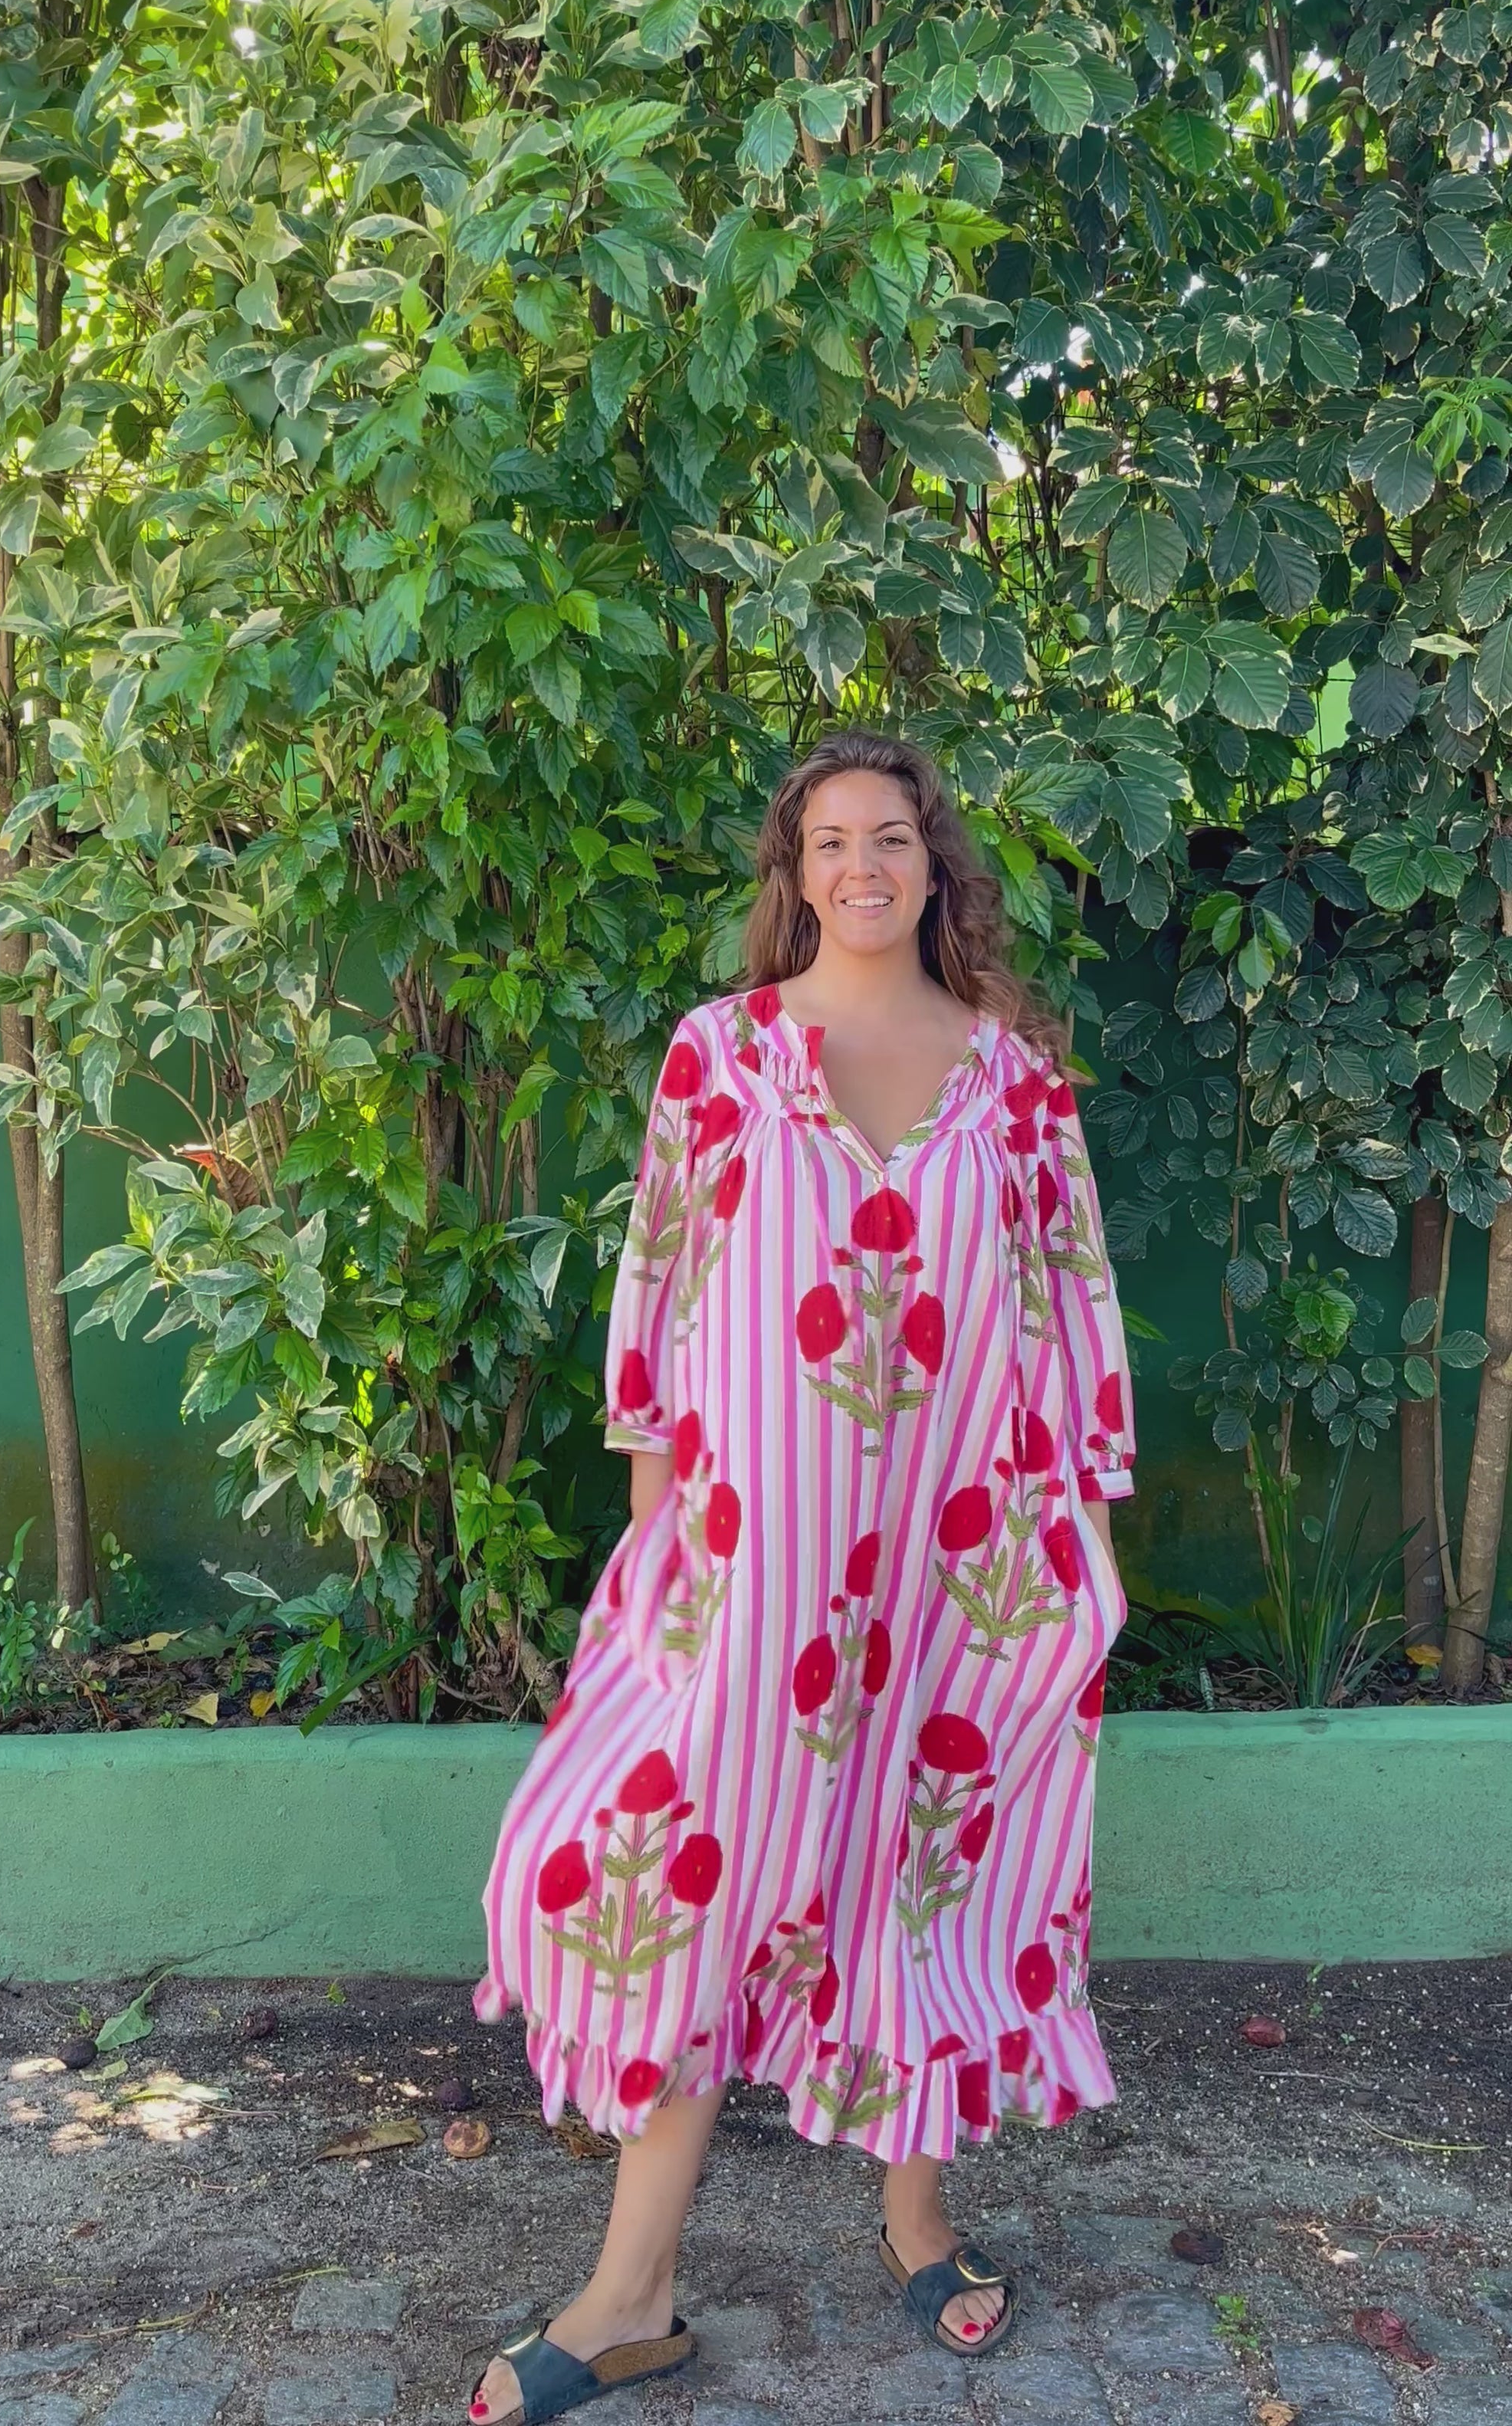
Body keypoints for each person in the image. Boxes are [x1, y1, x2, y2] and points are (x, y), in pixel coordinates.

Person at [468, 730, 1135, 2426]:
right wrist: (654, 1525)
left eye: (890, 836)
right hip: (754, 1560)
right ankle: (633, 2289)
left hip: (967, 1557)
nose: (861, 865)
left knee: (926, 1868)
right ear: (795, 871)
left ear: (933, 863)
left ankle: (918, 2221)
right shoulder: (722, 1055)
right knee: (691, 1862)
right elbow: (659, 1280)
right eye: (829, 840)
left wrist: (1085, 1542)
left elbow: (1070, 1305)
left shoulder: (1016, 1080)